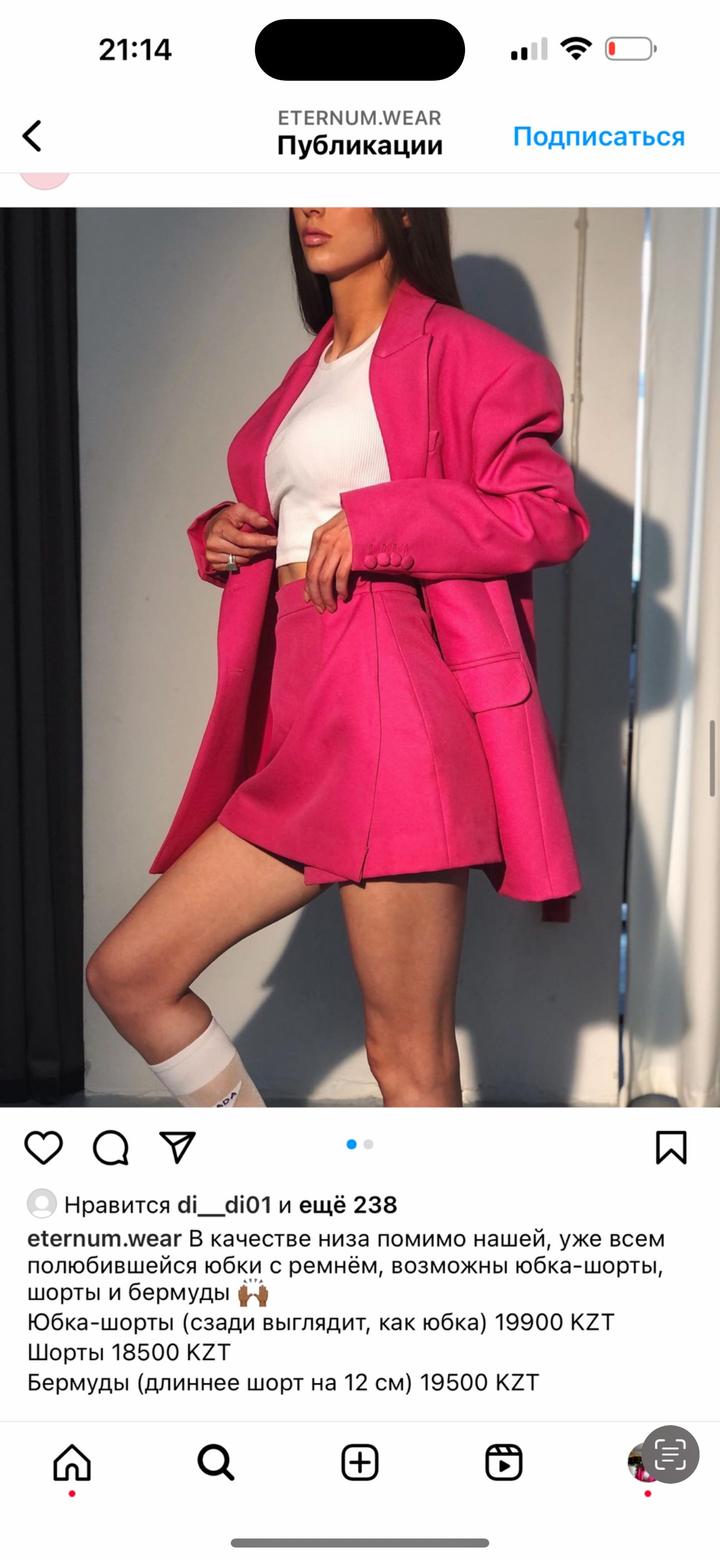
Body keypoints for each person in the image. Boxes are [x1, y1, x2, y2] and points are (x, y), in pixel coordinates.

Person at [86, 207, 590, 1109]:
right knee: (130, 974)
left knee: (407, 1058)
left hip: (392, 699)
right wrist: (228, 534)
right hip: (306, 715)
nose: (311, 206)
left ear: (403, 205)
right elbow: (302, 516)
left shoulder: (466, 352)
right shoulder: (311, 368)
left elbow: (550, 514)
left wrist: (384, 522)